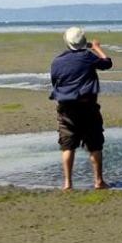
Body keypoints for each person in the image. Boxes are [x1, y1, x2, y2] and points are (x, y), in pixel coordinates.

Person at [49, 26, 113, 190]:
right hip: (87, 107)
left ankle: (67, 183)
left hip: (66, 108)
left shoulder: (57, 61)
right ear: (84, 42)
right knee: (95, 144)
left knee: (67, 145)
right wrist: (97, 47)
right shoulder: (88, 57)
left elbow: (55, 81)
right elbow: (107, 63)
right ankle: (99, 181)